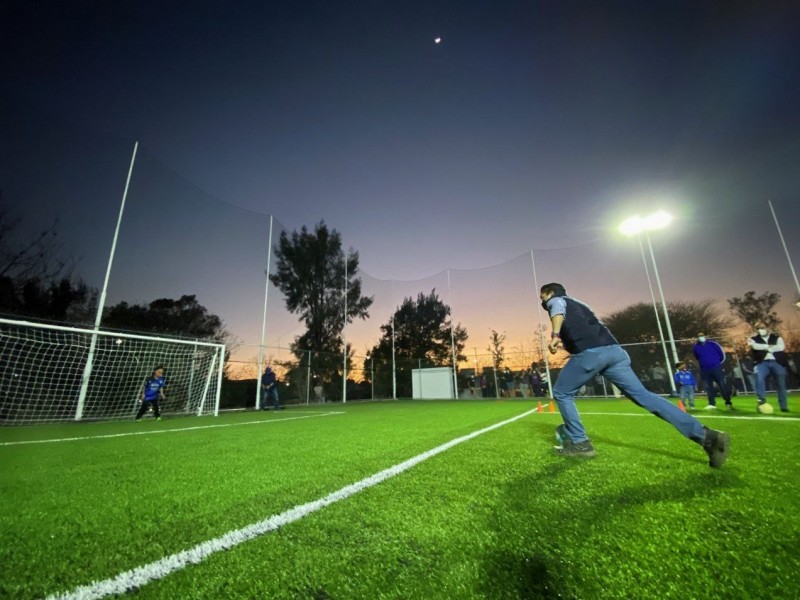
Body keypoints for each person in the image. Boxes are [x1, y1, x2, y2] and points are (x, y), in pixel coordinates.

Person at [539, 282, 729, 468]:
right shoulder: (582, 305)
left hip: (592, 353)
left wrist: (555, 336)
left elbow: (557, 307)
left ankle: (580, 443)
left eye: (542, 297)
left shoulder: (556, 300)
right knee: (643, 396)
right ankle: (707, 437)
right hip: (615, 353)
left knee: (562, 392)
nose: (543, 302)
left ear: (549, 293)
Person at [748, 321, 789, 412]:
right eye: (758, 328)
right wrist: (770, 347)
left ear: (767, 328)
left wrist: (764, 347)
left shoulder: (777, 338)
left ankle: (783, 406)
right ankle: (761, 400)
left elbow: (781, 347)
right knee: (759, 377)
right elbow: (755, 346)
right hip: (761, 362)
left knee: (781, 384)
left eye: (762, 327)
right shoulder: (753, 338)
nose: (760, 330)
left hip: (777, 362)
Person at [692, 331, 733, 410]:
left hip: (716, 368)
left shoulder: (714, 344)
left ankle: (728, 403)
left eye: (702, 335)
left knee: (722, 385)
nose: (701, 337)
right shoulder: (695, 347)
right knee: (708, 387)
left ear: (706, 336)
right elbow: (697, 357)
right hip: (705, 370)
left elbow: (722, 355)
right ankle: (712, 404)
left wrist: (717, 364)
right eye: (699, 336)